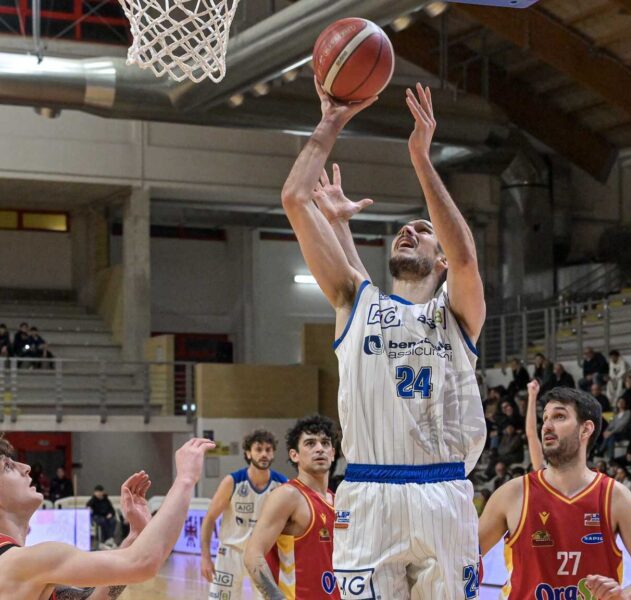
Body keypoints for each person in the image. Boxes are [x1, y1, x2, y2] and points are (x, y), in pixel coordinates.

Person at [282, 81, 486, 599]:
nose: (409, 231)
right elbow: (294, 199)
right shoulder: (357, 302)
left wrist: (420, 158)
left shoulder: (457, 314)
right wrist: (330, 123)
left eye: (423, 229)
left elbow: (465, 257)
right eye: (403, 229)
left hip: (443, 489)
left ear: (440, 260)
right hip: (369, 491)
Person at [0, 433, 214, 600]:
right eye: (9, 466)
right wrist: (185, 479)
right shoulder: (23, 562)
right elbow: (143, 564)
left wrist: (135, 536)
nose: (25, 468)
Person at [478, 387, 631, 600]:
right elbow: (466, 558)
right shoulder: (511, 494)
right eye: (545, 418)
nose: (547, 426)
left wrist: (625, 596)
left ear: (586, 429)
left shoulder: (616, 496)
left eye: (559, 416)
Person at [244, 416, 341, 599]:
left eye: (325, 443)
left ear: (333, 453)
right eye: (310, 443)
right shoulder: (288, 495)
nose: (320, 448)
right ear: (294, 455)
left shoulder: (339, 501)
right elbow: (252, 554)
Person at [200, 430, 287, 600]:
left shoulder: (282, 484)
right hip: (230, 553)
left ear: (273, 453)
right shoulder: (233, 481)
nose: (264, 454)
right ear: (248, 453)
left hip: (263, 555)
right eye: (259, 449)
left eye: (268, 449)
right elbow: (209, 518)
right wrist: (205, 557)